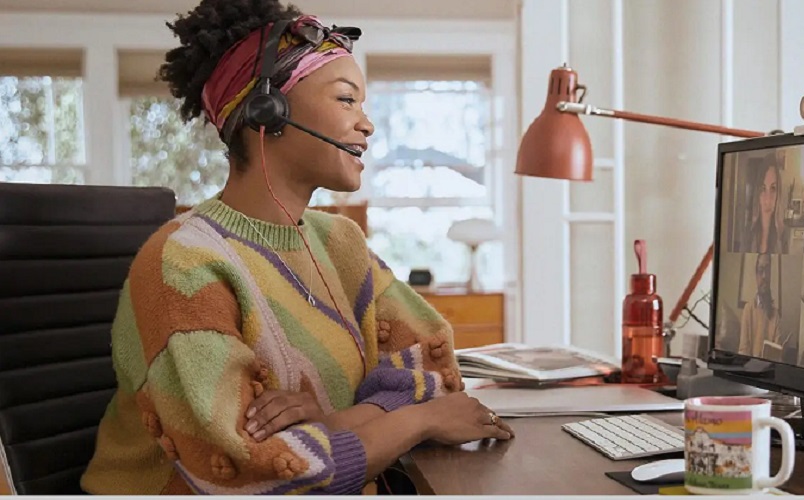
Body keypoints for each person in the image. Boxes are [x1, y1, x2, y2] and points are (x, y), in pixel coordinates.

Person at [80, 0, 512, 495]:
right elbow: (247, 462)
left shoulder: (340, 241)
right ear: (268, 111)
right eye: (347, 100)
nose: (368, 124)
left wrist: (335, 421)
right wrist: (416, 423)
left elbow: (427, 364)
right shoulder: (183, 265)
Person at [738, 253, 783, 359]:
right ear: (756, 275)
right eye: (760, 270)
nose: (764, 276)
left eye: (767, 270)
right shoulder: (748, 310)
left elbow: (778, 354)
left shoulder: (776, 315)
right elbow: (743, 350)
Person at [742, 159, 786, 254]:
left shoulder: (784, 237)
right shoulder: (747, 233)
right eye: (763, 189)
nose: (767, 200)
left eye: (773, 188)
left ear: (779, 193)